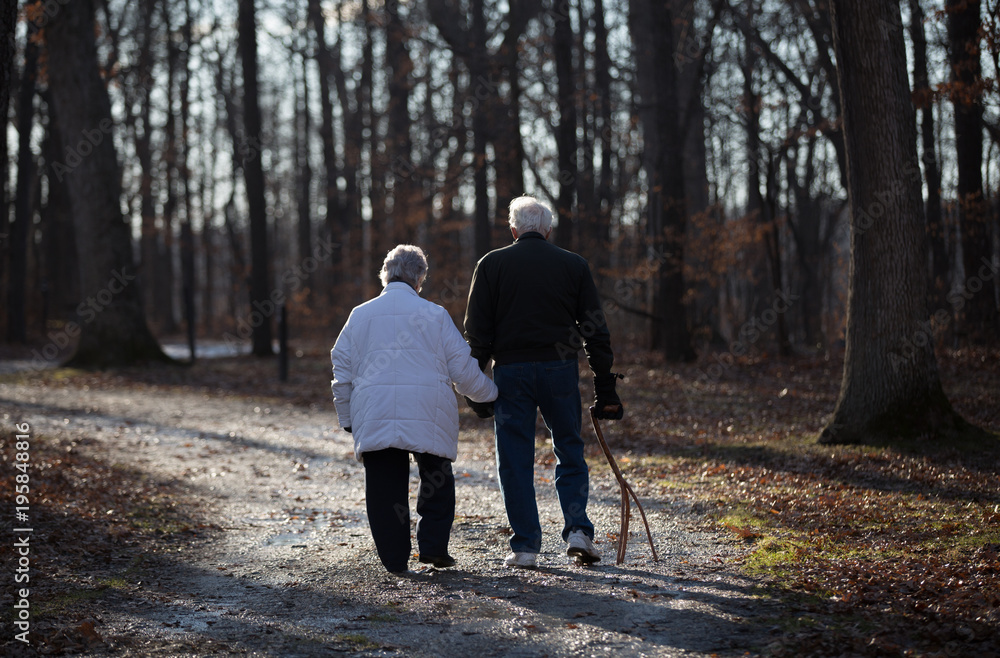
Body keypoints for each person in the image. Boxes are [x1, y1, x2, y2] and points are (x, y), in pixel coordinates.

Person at [464, 196, 624, 569]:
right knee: (569, 448)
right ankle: (578, 531)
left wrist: (475, 384)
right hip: (559, 370)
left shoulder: (491, 264)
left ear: (513, 229)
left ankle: (525, 547)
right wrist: (605, 386)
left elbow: (477, 335)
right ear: (548, 230)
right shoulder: (573, 265)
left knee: (514, 457)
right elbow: (595, 331)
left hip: (511, 373)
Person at [331, 245, 498, 573]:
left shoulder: (359, 315)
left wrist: (347, 417)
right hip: (429, 409)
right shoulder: (435, 315)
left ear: (384, 274)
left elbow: (342, 370)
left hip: (373, 411)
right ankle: (433, 547)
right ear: (419, 279)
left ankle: (394, 560)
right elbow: (462, 370)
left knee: (384, 486)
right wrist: (491, 395)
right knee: (436, 475)